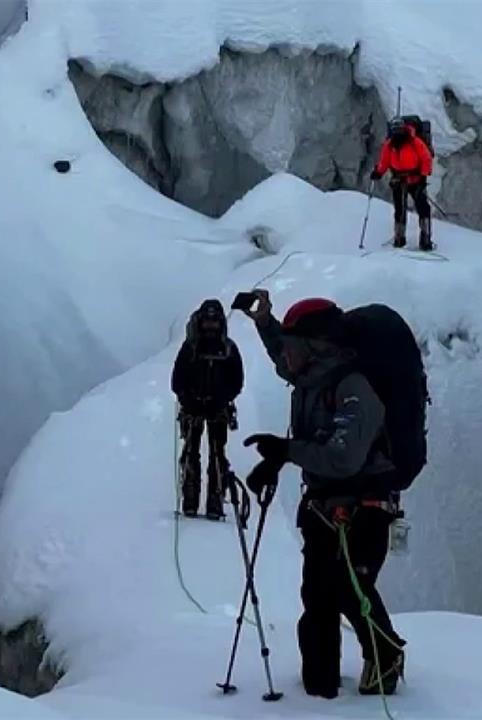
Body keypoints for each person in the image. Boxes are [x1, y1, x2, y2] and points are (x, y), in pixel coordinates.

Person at [242, 290, 406, 699]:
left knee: (349, 589)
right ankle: (318, 688)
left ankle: (385, 658)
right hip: (323, 507)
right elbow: (284, 352)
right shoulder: (312, 378)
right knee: (317, 594)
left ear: (317, 348)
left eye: (294, 349)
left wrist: (286, 451)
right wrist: (265, 322)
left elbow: (344, 457)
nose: (285, 359)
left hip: (363, 508)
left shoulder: (353, 389)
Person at [171, 298, 244, 519]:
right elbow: (177, 381)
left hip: (216, 408)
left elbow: (236, 381)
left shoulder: (225, 348)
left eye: (214, 321)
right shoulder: (198, 347)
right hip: (197, 408)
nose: (210, 326)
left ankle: (213, 499)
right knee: (195, 452)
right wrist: (189, 400)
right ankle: (193, 499)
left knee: (215, 453)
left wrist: (220, 399)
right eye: (208, 321)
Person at [370, 118, 434, 251]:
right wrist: (378, 172)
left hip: (415, 180)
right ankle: (400, 238)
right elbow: (384, 161)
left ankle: (425, 238)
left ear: (404, 129)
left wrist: (423, 176)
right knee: (400, 209)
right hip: (399, 180)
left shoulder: (414, 141)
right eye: (395, 130)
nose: (397, 132)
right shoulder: (390, 145)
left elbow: (426, 158)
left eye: (399, 129)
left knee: (422, 208)